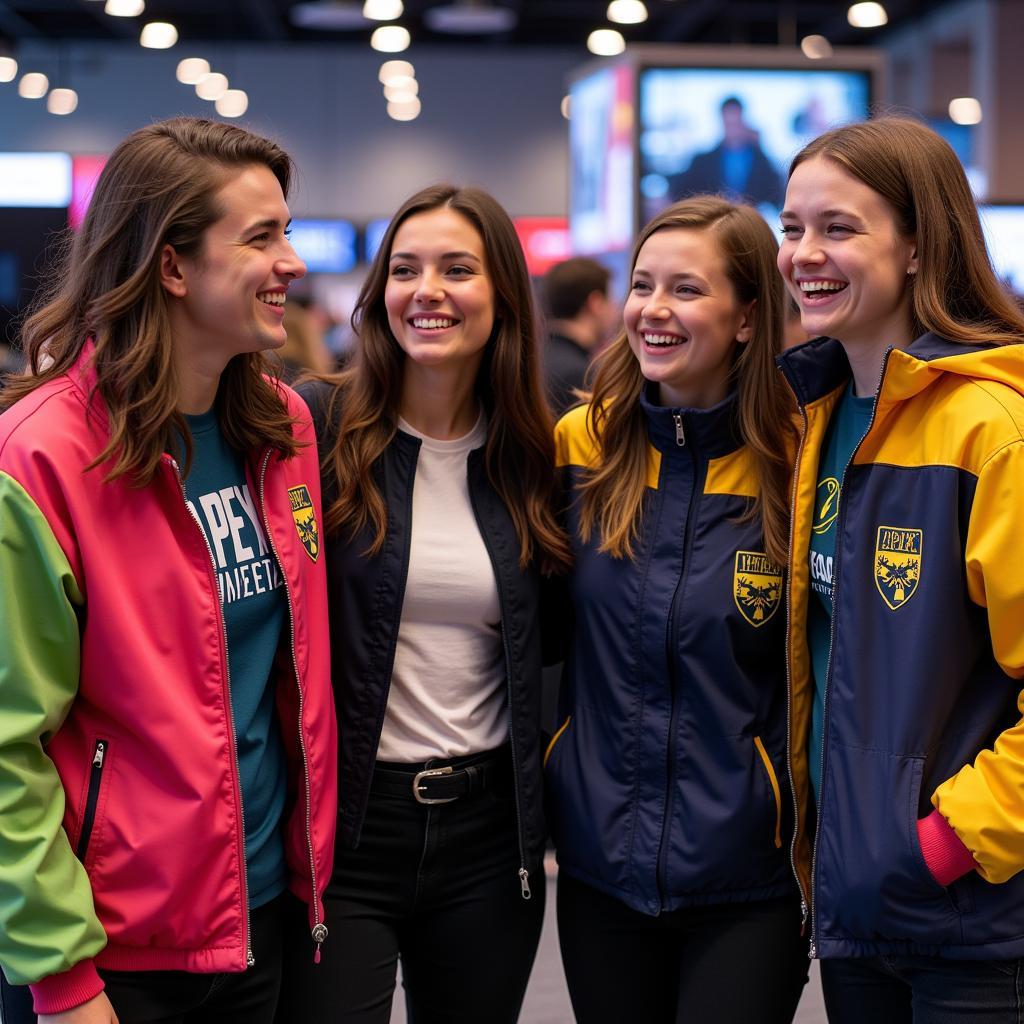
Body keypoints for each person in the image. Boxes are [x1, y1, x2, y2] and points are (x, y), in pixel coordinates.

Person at [0, 117, 337, 1024]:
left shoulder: (281, 427)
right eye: (261, 237)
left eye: (288, 231)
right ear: (173, 266)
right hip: (111, 951)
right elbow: (5, 751)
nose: (292, 262)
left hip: (262, 915)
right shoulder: (41, 460)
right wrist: (62, 979)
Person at [277, 183, 570, 1024]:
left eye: (457, 268)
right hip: (347, 831)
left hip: (486, 837)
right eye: (405, 270)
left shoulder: (540, 453)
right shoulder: (317, 426)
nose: (427, 290)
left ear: (503, 295)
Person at [777, 115, 1024, 1021]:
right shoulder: (818, 414)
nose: (806, 252)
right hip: (861, 904)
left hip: (970, 919)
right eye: (791, 227)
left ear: (920, 245)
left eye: (839, 228)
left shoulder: (990, 427)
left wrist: (946, 843)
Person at [547, 195, 807, 1023]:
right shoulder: (582, 445)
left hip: (748, 878)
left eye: (687, 290)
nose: (653, 311)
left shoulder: (798, 459)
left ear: (745, 318)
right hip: (599, 866)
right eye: (642, 285)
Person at [667, 96, 783, 209]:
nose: (732, 127)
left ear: (742, 119)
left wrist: (760, 146)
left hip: (751, 222)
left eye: (735, 121)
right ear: (722, 119)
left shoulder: (760, 159)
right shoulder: (702, 161)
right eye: (729, 122)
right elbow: (682, 191)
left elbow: (775, 194)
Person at [539, 256, 616, 414]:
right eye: (611, 299)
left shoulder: (532, 358)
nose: (615, 308)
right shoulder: (582, 375)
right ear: (596, 303)